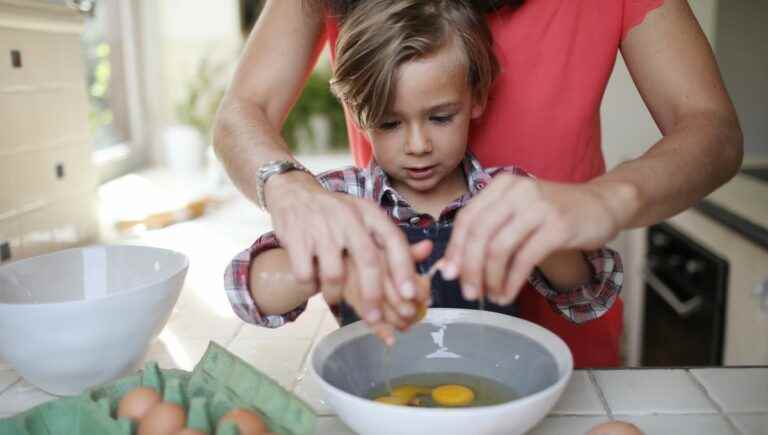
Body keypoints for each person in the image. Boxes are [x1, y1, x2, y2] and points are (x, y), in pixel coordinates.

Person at [213, 0, 743, 367]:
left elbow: (712, 130)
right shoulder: (352, 196)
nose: (417, 145)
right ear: (356, 108)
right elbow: (243, 115)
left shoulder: (501, 187)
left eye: (440, 117)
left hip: (563, 364)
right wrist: (295, 202)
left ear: (476, 98)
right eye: (391, 123)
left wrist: (601, 203)